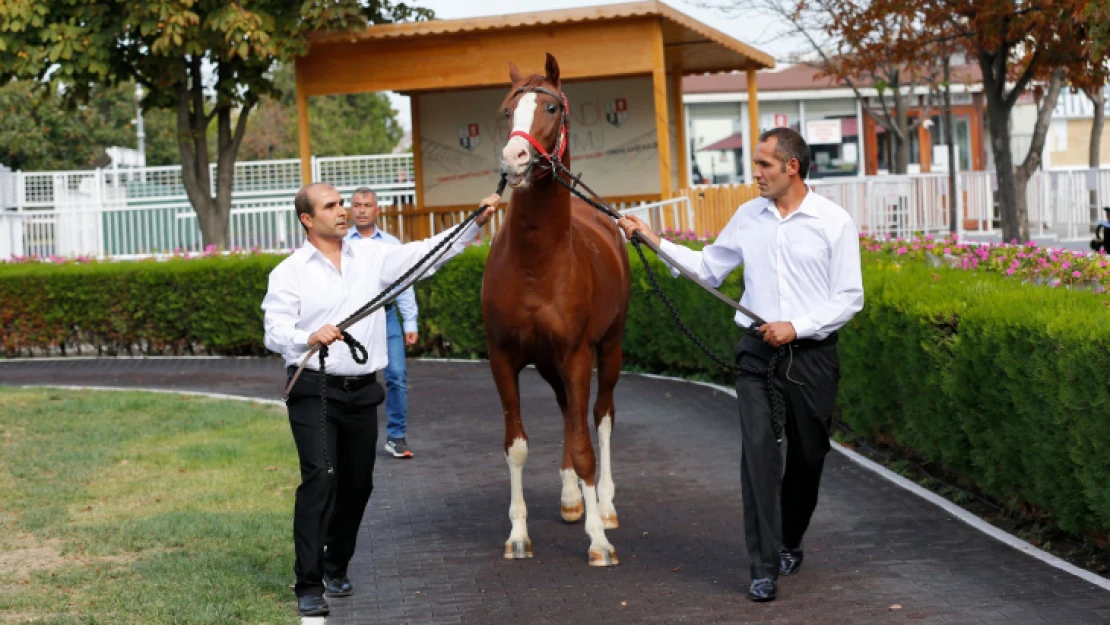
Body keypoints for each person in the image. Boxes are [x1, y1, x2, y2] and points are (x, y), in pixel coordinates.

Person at [618, 127, 864, 603]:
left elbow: (849, 297)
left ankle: (790, 539)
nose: (755, 174)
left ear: (792, 166)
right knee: (759, 457)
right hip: (757, 356)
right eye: (755, 164)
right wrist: (651, 239)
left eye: (764, 165)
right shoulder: (748, 217)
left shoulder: (832, 221)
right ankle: (763, 565)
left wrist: (798, 325)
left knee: (810, 456)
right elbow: (708, 268)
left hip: (812, 357)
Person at [262, 182, 499, 617]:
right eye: (330, 206)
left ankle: (336, 564)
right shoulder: (289, 272)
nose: (342, 211)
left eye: (341, 204)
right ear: (307, 220)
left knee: (358, 485)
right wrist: (307, 336)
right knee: (321, 480)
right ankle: (309, 582)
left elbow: (425, 254)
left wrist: (472, 223)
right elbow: (274, 331)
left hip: (361, 391)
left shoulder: (373, 258)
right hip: (314, 390)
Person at [346, 187, 418, 459]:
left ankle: (396, 437)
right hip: (354, 321)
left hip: (387, 317)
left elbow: (405, 283)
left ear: (377, 210)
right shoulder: (343, 244)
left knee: (397, 376)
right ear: (350, 210)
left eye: (367, 205)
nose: (361, 209)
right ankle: (354, 436)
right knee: (354, 378)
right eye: (356, 204)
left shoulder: (391, 244)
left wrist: (410, 321)